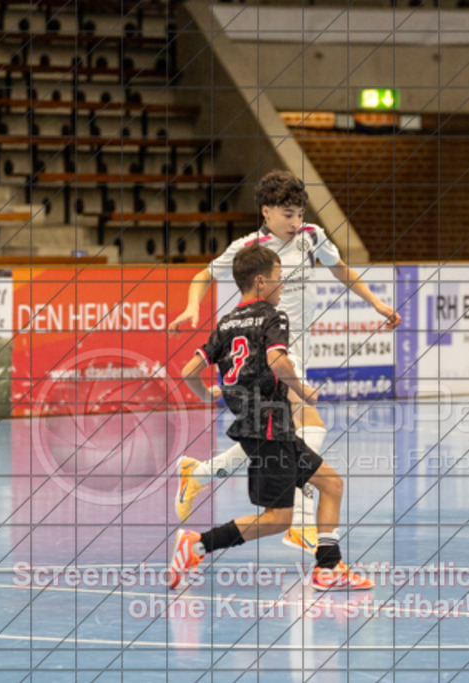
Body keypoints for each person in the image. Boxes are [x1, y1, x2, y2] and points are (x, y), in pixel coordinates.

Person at [168, 170, 400, 554]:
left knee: (275, 437)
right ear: (266, 211)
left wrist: (375, 302)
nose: (295, 222)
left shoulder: (311, 237)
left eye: (299, 213)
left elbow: (339, 267)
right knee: (308, 427)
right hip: (272, 353)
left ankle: (201, 472)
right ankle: (304, 522)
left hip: (296, 349)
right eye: (287, 214)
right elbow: (202, 275)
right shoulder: (250, 247)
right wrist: (193, 307)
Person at [168, 244, 373, 591]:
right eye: (280, 278)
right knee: (278, 520)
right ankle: (198, 544)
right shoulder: (273, 317)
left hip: (264, 427)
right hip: (269, 429)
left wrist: (208, 395)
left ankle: (328, 568)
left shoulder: (226, 322)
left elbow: (190, 370)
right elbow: (279, 361)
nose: (283, 284)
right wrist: (302, 390)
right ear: (261, 281)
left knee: (331, 484)